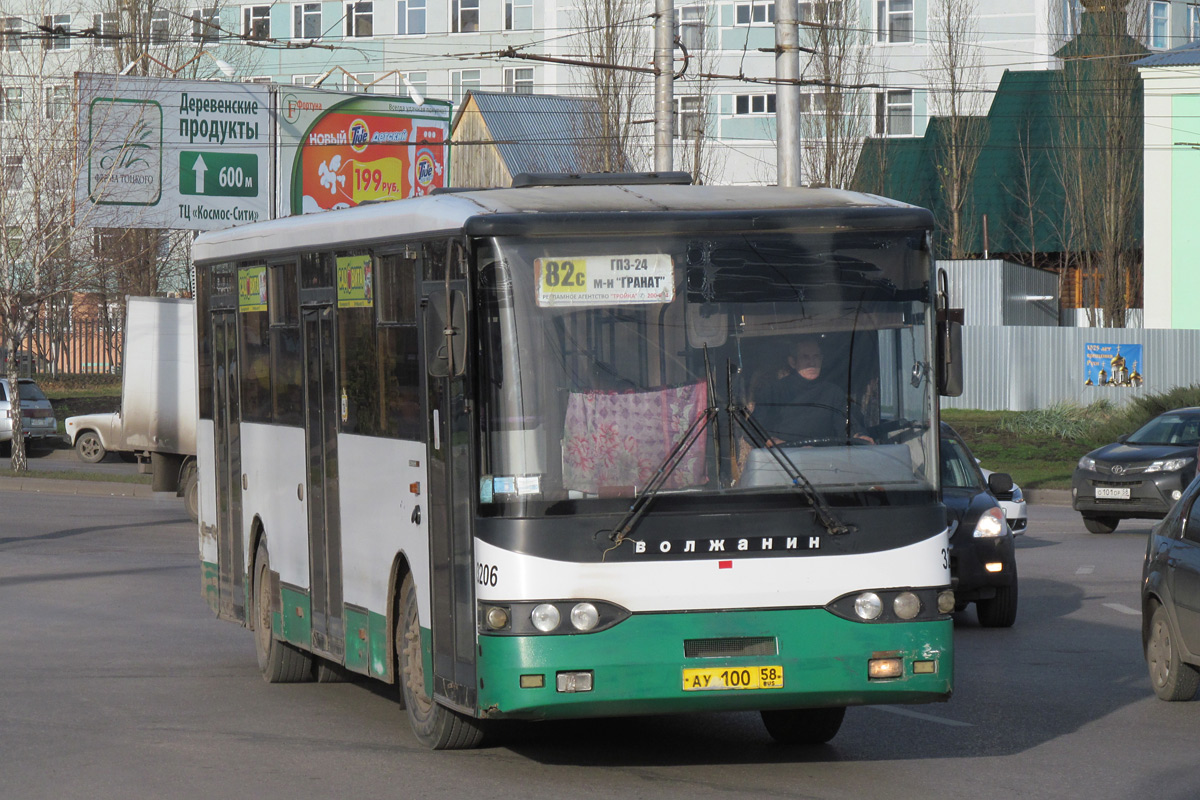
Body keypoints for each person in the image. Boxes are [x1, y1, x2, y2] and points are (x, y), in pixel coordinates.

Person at [750, 335, 872, 445]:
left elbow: (846, 424)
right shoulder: (774, 391)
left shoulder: (833, 393)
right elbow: (752, 429)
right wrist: (772, 441)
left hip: (826, 461)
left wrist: (859, 436)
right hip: (784, 463)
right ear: (792, 362)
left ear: (821, 359)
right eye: (805, 357)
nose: (812, 363)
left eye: (816, 357)